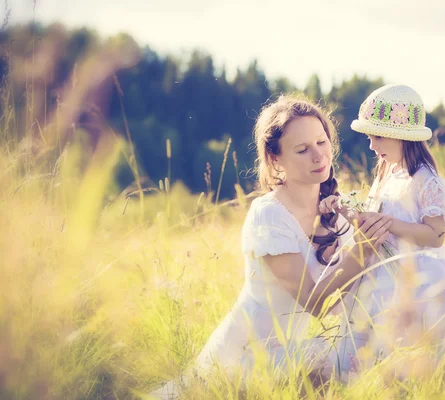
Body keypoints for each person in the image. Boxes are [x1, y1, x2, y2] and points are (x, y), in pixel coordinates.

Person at [151, 94, 392, 398]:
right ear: (275, 159)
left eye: (322, 142)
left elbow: (350, 291)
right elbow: (314, 302)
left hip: (292, 351)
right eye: (302, 150)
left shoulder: (337, 212)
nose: (318, 157)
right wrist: (361, 250)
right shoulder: (269, 215)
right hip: (244, 355)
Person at [320, 84, 445, 381]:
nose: (371, 145)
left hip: (415, 282)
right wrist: (344, 211)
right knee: (368, 354)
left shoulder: (425, 180)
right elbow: (374, 223)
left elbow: (435, 235)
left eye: (376, 136)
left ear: (402, 135)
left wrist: (388, 223)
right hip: (379, 276)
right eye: (369, 137)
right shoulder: (386, 173)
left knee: (407, 356)